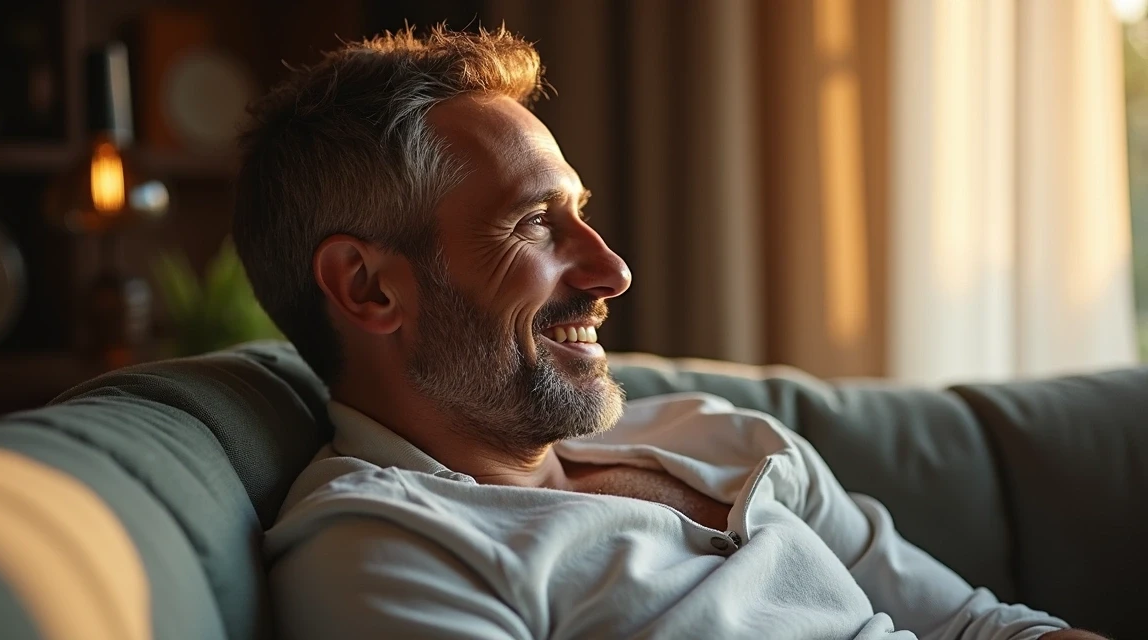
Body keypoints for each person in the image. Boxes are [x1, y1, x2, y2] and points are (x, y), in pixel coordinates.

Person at [233, 25, 1102, 640]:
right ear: (369, 287)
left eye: (582, 213)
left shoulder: (717, 436)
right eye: (535, 224)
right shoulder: (386, 550)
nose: (612, 272)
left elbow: (977, 628)